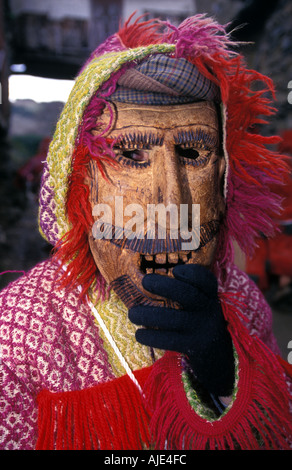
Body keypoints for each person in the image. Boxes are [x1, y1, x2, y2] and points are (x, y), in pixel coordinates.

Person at [1, 13, 291, 450]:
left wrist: (228, 372)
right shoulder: (16, 336)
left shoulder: (241, 300)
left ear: (225, 179)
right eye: (131, 153)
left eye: (194, 152)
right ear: (77, 181)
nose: (171, 201)